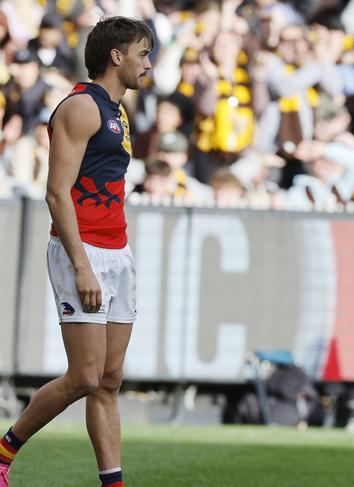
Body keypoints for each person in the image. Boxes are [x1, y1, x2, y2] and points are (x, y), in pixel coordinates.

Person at [0, 16, 153, 487]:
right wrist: (83, 266)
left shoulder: (117, 110)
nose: (148, 63)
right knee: (84, 377)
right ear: (116, 56)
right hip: (81, 251)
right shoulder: (81, 108)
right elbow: (56, 192)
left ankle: (114, 483)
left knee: (109, 378)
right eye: (142, 53)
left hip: (117, 250)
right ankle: (3, 451)